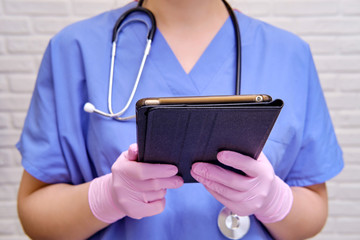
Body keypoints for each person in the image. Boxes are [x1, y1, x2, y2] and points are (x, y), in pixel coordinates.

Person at [16, 0, 343, 239]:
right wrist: (106, 198)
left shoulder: (289, 54)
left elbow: (313, 212)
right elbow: (35, 216)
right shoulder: (74, 49)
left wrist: (274, 200)